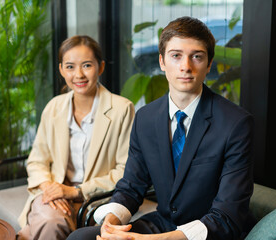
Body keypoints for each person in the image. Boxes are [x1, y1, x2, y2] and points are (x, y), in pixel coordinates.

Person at [68, 16, 254, 240]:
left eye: (196, 56)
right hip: (163, 223)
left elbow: (227, 216)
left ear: (209, 64)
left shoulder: (236, 123)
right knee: (80, 238)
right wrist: (111, 224)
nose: (186, 66)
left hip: (206, 232)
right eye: (176, 56)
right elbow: (131, 187)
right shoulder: (145, 118)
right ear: (162, 62)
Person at [17, 35, 135, 240]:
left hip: (97, 198)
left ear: (100, 67)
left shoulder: (122, 109)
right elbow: (37, 160)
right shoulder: (54, 107)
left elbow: (125, 171)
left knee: (38, 229)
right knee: (49, 220)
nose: (78, 74)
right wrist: (50, 189)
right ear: (61, 69)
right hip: (54, 194)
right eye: (70, 67)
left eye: (87, 65)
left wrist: (74, 191)